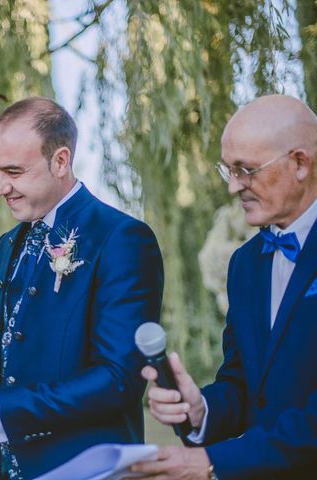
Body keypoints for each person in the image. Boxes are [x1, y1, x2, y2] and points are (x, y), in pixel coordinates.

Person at [0, 97, 164, 479]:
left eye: (13, 171)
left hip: (87, 469)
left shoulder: (121, 239)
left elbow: (118, 381)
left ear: (60, 161)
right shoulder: (6, 246)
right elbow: (1, 356)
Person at [131, 95, 317, 479]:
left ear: (300, 163)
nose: (234, 187)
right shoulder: (245, 264)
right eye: (228, 170)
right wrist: (202, 408)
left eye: (247, 170)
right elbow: (242, 383)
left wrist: (215, 461)